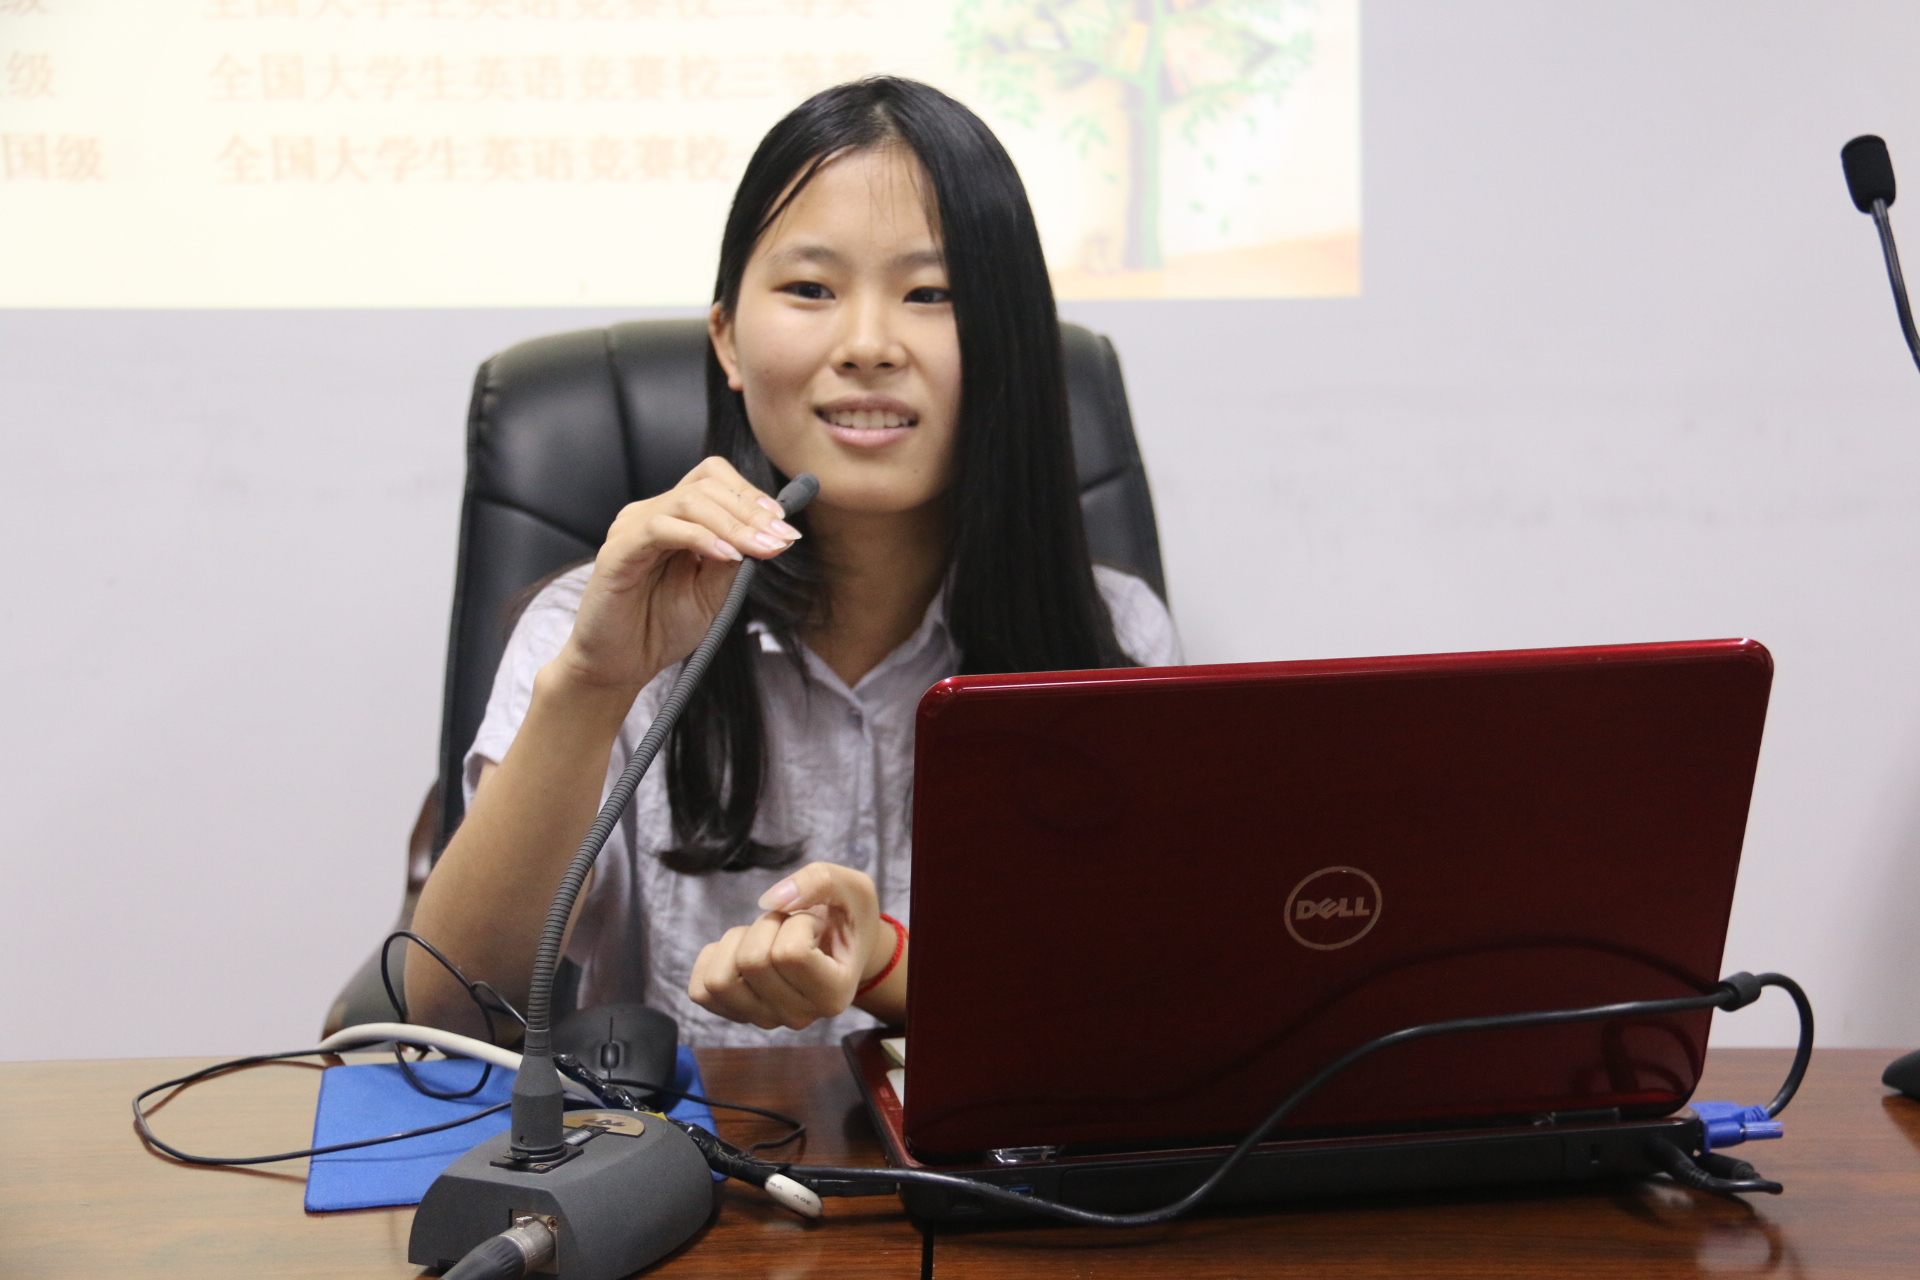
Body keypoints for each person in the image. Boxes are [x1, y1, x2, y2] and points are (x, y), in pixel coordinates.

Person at [407, 77, 1179, 1048]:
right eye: (811, 289)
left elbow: (1135, 1000)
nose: (868, 345)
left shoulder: (1117, 633)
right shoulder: (591, 625)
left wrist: (884, 964)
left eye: (932, 293)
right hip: (692, 1146)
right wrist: (595, 684)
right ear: (727, 340)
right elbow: (450, 1008)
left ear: (1011, 347)